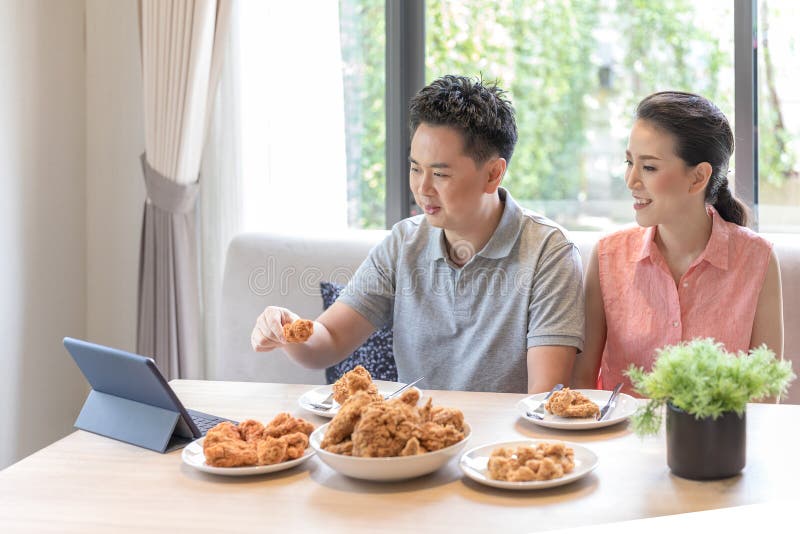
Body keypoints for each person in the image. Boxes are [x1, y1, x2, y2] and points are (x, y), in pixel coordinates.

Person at [251, 74, 584, 394]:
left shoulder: (548, 251)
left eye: (440, 173)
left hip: (500, 447)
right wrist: (289, 329)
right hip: (416, 443)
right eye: (415, 168)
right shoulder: (403, 243)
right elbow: (329, 341)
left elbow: (543, 396)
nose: (422, 189)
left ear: (493, 174)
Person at [572, 91, 783, 394]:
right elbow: (582, 383)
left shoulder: (758, 260)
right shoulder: (608, 256)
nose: (631, 180)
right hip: (622, 438)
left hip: (717, 439)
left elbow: (765, 392)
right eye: (629, 162)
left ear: (698, 177)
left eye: (649, 167)